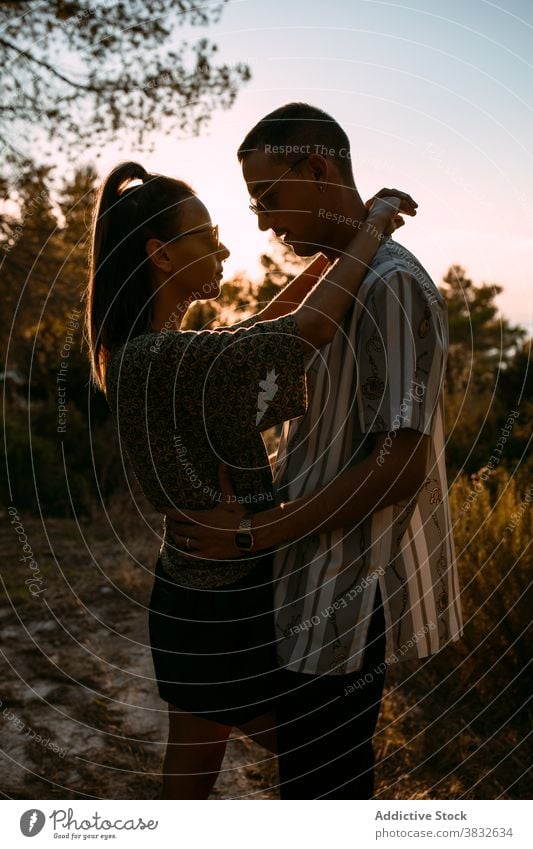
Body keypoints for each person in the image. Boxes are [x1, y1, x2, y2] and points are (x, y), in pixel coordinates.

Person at [84, 159, 415, 799]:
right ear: (161, 254)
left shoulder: (154, 352)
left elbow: (262, 328)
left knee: (196, 772)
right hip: (218, 606)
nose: (224, 246)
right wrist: (371, 227)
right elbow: (308, 329)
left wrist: (336, 251)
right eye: (206, 236)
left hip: (199, 595)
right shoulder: (159, 359)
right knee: (325, 755)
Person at [166, 102, 464, 799]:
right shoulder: (344, 277)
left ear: (319, 167)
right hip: (299, 582)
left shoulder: (390, 285)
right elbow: (257, 340)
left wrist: (249, 533)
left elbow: (400, 464)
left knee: (324, 795)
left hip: (342, 597)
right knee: (302, 778)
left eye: (269, 196)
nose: (263, 221)